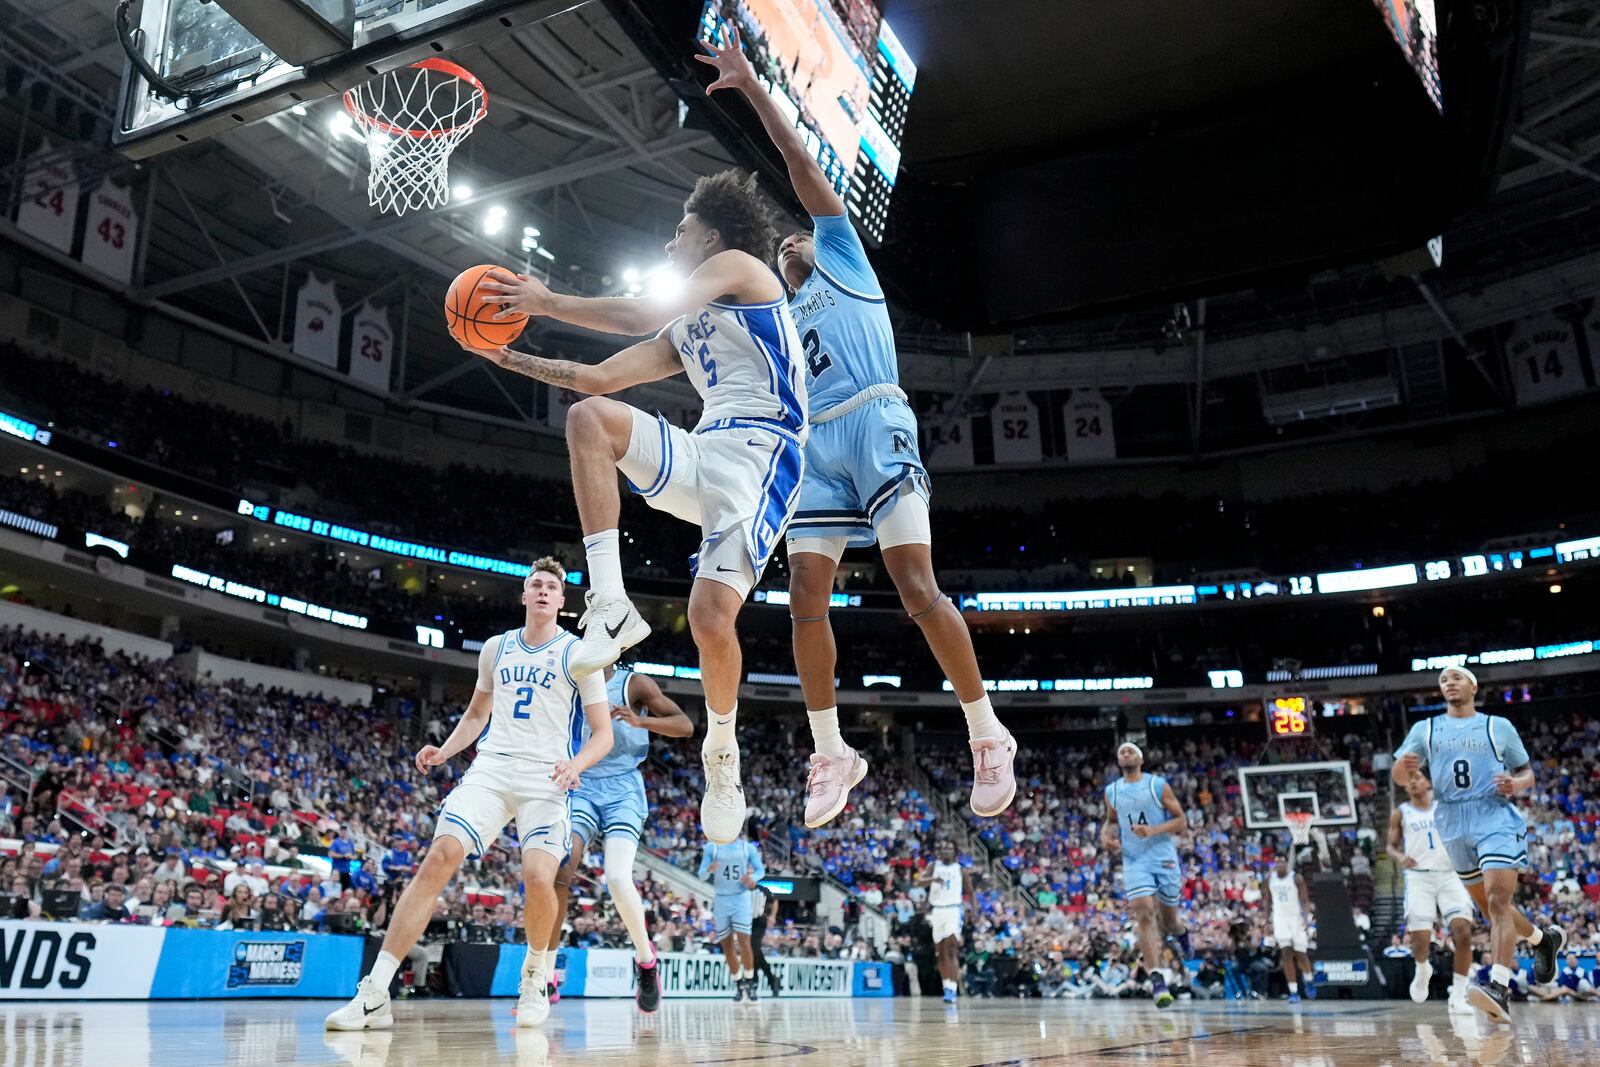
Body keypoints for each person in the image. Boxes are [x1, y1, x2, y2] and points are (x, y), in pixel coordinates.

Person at [692, 26, 1018, 828]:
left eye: (792, 235)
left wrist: (755, 87)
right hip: (815, 447)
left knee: (915, 583)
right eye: (782, 246)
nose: (789, 241)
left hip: (874, 416)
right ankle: (832, 749)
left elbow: (801, 167)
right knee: (805, 595)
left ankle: (986, 730)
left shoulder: (842, 254)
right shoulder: (772, 308)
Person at [465, 170, 806, 847]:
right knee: (590, 418)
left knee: (712, 618)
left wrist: (544, 299)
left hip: (764, 456)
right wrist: (513, 357)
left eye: (681, 229)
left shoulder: (742, 267)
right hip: (708, 449)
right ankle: (612, 602)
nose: (673, 238)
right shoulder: (687, 324)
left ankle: (722, 751)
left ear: (710, 234)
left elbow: (640, 312)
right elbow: (596, 379)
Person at [325, 559, 613, 1032]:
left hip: (547, 778)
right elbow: (477, 715)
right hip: (492, 769)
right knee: (438, 858)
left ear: (563, 602)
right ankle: (375, 992)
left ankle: (536, 975)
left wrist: (576, 764)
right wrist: (444, 750)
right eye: (535, 585)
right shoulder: (497, 649)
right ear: (524, 595)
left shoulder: (579, 654)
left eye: (551, 587)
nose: (542, 591)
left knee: (539, 876)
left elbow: (603, 734)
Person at [1392, 666, 1566, 1024]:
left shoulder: (1497, 725)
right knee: (1490, 910)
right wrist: (1404, 768)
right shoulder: (1425, 730)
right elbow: (1399, 776)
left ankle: (1499, 987)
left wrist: (1516, 785)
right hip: (1452, 822)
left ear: (1473, 685)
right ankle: (1541, 940)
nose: (1448, 683)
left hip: (1493, 816)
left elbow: (1527, 773)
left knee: (1500, 901)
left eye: (1456, 677)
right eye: (1443, 680)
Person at [545, 664, 691, 1014]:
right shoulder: (571, 675)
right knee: (560, 871)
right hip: (580, 782)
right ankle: (545, 974)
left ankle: (645, 961)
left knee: (617, 877)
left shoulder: (634, 683)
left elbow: (684, 725)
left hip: (623, 788)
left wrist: (644, 722)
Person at [1100, 741, 1190, 1009]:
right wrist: (1105, 835)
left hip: (1162, 856)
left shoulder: (1157, 785)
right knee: (1142, 911)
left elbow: (1181, 821)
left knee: (1169, 921)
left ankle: (1181, 933)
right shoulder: (1112, 791)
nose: (1125, 754)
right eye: (1121, 752)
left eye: (1130, 751)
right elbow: (1112, 820)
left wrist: (1153, 830)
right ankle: (1157, 980)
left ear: (1140, 759)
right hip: (1134, 859)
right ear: (1119, 761)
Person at [1388, 769, 1475, 1013]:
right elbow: (1390, 846)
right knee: (1420, 942)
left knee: (1463, 932)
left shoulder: (1445, 806)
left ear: (1428, 782)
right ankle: (1422, 966)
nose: (1413, 781)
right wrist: (1400, 856)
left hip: (1449, 875)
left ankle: (1459, 995)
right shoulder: (1401, 813)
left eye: (1417, 777)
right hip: (1418, 878)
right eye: (1410, 779)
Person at [698, 825, 766, 1002]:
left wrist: (753, 879)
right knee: (726, 946)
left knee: (744, 942)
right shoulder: (711, 847)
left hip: (740, 898)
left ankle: (750, 982)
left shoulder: (747, 847)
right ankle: (738, 983)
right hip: (721, 899)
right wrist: (708, 870)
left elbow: (761, 870)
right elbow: (701, 875)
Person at [916, 840, 970, 1004]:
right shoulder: (933, 866)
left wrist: (972, 911)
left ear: (955, 852)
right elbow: (919, 882)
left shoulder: (960, 869)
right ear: (939, 851)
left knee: (951, 947)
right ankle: (946, 984)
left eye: (950, 848)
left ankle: (952, 988)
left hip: (953, 910)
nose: (946, 851)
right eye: (944, 848)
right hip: (937, 911)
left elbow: (971, 891)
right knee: (940, 952)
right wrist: (933, 879)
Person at [1264, 853, 1317, 1003]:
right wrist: (1266, 922)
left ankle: (1309, 979)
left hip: (1295, 918)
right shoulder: (1270, 879)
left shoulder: (1296, 878)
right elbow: (1267, 902)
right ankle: (1293, 992)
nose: (1280, 865)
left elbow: (1305, 900)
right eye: (1277, 863)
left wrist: (1306, 919)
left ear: (1286, 864)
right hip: (1279, 919)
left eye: (1282, 862)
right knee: (1286, 954)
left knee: (1301, 954)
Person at [749, 874, 781, 997]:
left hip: (759, 923)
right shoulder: (741, 890)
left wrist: (773, 916)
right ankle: (772, 979)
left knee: (754, 948)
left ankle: (754, 980)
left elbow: (774, 901)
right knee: (753, 951)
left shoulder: (763, 890)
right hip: (746, 923)